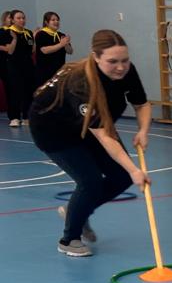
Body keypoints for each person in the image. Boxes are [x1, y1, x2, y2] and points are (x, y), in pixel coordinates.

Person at [27, 29, 152, 257]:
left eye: (124, 60)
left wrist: (143, 130)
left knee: (121, 176)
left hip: (87, 126)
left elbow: (141, 104)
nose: (121, 67)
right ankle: (69, 239)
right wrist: (135, 170)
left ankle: (76, 210)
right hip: (53, 131)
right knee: (90, 181)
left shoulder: (126, 71)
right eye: (112, 62)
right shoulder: (81, 83)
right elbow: (104, 136)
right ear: (96, 57)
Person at [2, 9, 35, 127]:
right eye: (19, 18)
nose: (22, 20)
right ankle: (14, 117)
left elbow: (32, 50)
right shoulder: (7, 32)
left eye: (23, 18)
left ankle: (26, 116)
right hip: (14, 65)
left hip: (28, 65)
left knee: (28, 91)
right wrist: (15, 39)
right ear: (12, 20)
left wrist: (34, 39)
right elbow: (10, 51)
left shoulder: (28, 32)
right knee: (15, 91)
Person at [34, 11, 73, 88]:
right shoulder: (41, 34)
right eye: (53, 20)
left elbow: (70, 51)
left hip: (59, 71)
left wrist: (66, 44)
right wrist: (60, 44)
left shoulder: (61, 35)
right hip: (45, 72)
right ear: (46, 22)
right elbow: (44, 50)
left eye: (57, 20)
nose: (56, 22)